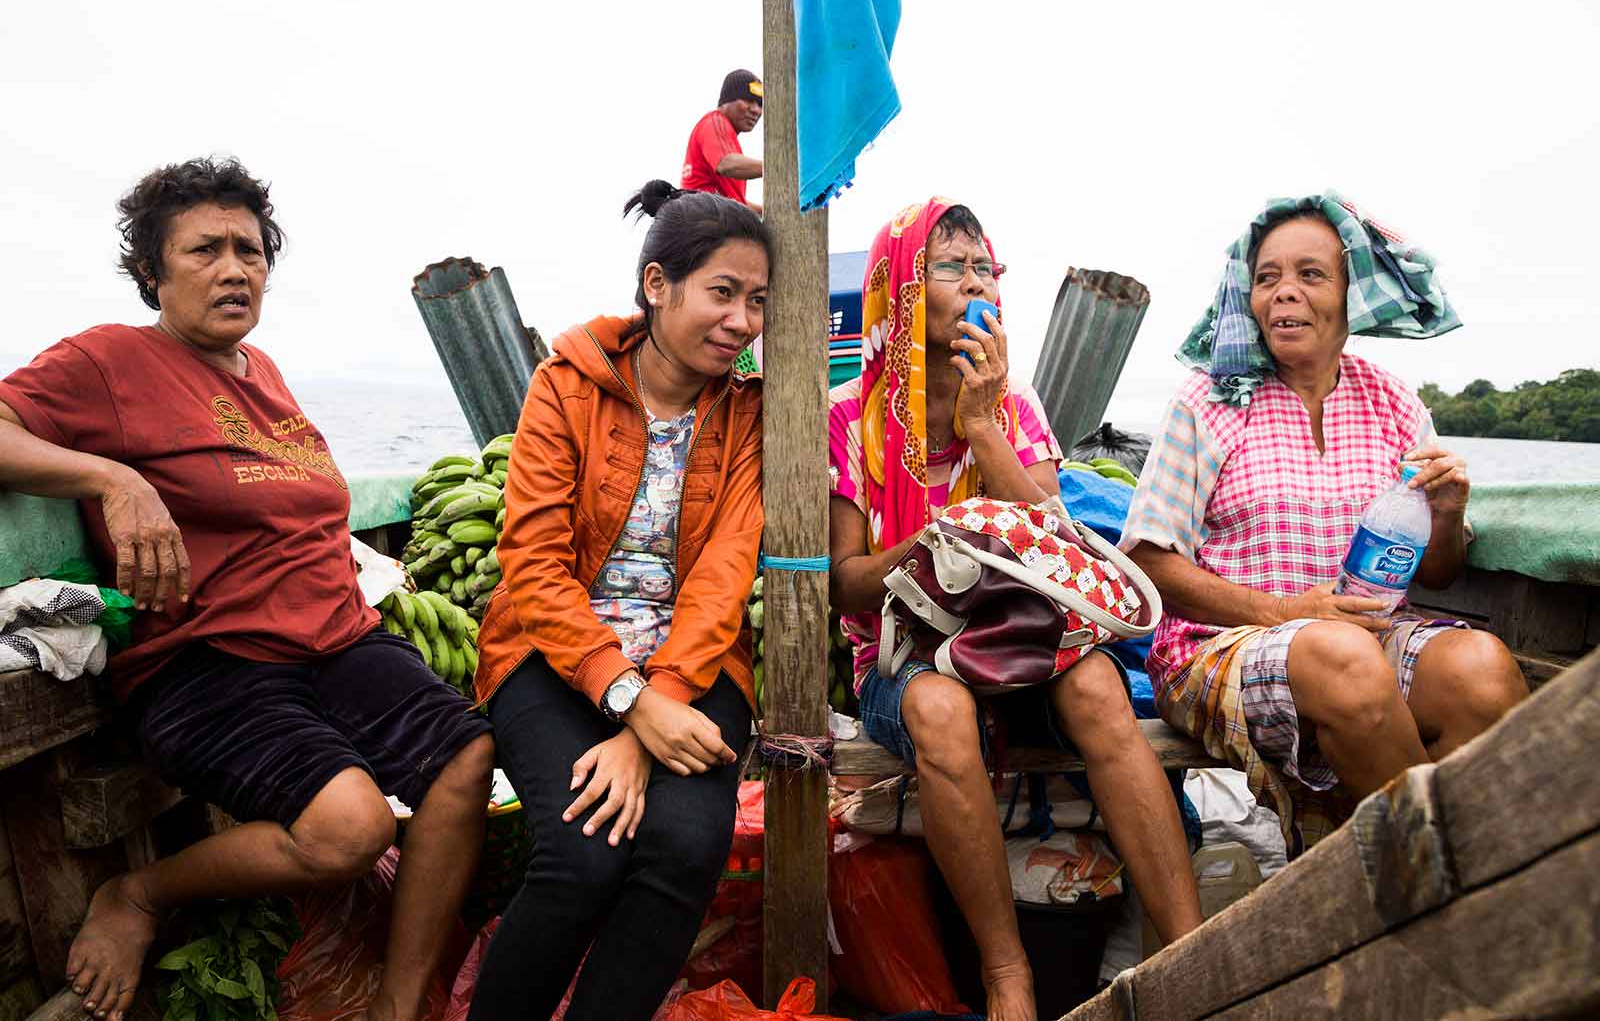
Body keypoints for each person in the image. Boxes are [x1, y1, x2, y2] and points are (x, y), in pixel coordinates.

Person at [0, 157, 495, 1021]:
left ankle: (397, 1005)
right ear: (152, 271)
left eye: (252, 249)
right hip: (208, 661)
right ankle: (140, 894)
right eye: (204, 250)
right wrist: (109, 479)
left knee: (466, 759)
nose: (236, 267)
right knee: (352, 829)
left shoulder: (260, 368)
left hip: (335, 637)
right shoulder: (110, 359)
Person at [827, 197, 1202, 1021]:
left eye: (983, 266)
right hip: (906, 658)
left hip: (1024, 643)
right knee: (938, 703)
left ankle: (1192, 956)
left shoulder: (1014, 403)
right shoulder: (849, 415)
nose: (974, 283)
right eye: (950, 267)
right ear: (900, 288)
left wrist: (983, 427)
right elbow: (847, 584)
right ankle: (1008, 975)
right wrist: (940, 542)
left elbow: (1055, 535)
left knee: (1101, 688)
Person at [1123, 194, 1528, 855]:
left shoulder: (1393, 402)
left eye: (1310, 274)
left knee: (1480, 669)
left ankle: (1401, 879)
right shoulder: (1210, 398)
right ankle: (1453, 887)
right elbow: (1147, 563)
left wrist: (1449, 511)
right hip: (1215, 645)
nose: (1284, 293)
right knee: (1339, 656)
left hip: (1366, 639)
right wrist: (1291, 611)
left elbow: (1439, 574)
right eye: (1267, 277)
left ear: (1350, 296)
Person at [466, 180, 769, 1021]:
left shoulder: (748, 411)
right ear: (657, 285)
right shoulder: (567, 385)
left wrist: (653, 714)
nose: (741, 321)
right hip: (551, 649)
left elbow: (723, 578)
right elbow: (531, 563)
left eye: (756, 301)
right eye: (722, 293)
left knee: (686, 844)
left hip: (695, 661)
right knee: (579, 853)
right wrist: (626, 698)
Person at [680, 68, 764, 213]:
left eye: (760, 104)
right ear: (726, 101)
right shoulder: (714, 123)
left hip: (710, 220)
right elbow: (726, 164)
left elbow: (732, 201)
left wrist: (766, 210)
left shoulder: (728, 141)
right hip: (702, 223)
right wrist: (777, 169)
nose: (756, 110)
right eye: (748, 100)